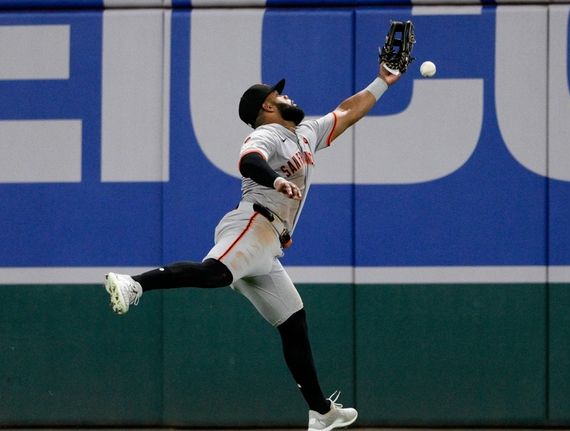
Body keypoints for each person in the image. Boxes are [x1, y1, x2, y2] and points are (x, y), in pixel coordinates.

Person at [104, 62, 402, 431]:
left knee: (294, 322)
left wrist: (383, 81)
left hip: (269, 245)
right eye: (280, 95)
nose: (287, 96)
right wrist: (276, 181)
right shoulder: (268, 134)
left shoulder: (305, 133)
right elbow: (250, 162)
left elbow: (346, 111)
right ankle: (133, 283)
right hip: (253, 223)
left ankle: (321, 412)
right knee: (215, 273)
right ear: (266, 107)